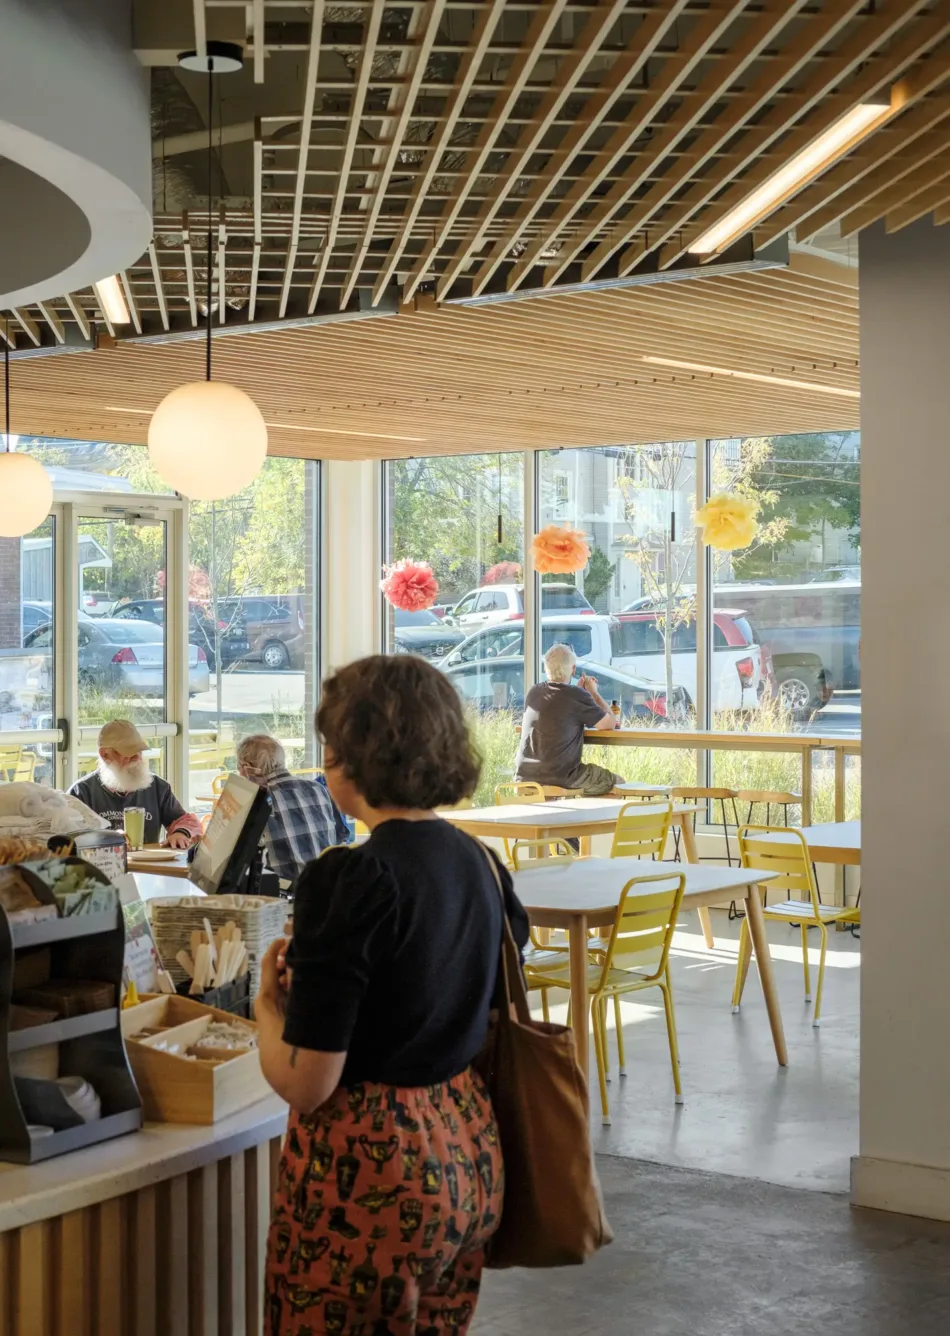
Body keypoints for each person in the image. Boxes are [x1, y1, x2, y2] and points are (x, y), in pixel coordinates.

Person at [255, 654, 529, 1335]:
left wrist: (266, 1008)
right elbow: (460, 994)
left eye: (331, 747)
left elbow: (307, 1083)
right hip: (467, 1149)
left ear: (357, 756)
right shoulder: (481, 864)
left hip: (369, 1176)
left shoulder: (348, 879)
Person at [69, 719, 201, 848]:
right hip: (101, 867)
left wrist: (180, 833)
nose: (137, 757)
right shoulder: (81, 792)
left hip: (150, 867)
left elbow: (186, 821)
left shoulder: (157, 787)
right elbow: (70, 836)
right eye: (128, 752)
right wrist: (110, 838)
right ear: (105, 755)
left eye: (139, 750)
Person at [236, 733, 348, 882]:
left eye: (239, 768)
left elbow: (232, 856)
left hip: (285, 891)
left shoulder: (257, 799)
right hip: (327, 885)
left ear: (247, 768)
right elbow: (339, 836)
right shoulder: (318, 788)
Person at [514, 642, 621, 796]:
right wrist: (593, 693)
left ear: (546, 668)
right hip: (562, 777)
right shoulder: (577, 696)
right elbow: (610, 723)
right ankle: (591, 820)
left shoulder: (534, 692)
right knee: (617, 783)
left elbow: (557, 711)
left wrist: (579, 693)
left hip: (524, 776)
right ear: (573, 670)